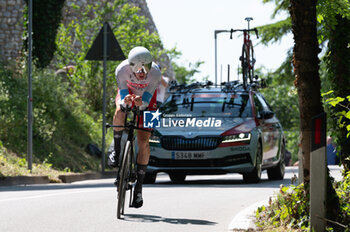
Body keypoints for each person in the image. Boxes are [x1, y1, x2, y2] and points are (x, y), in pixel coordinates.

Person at [108, 46, 161, 208]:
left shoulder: (156, 73)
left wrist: (141, 103)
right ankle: (116, 150)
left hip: (149, 99)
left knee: (144, 140)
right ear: (131, 66)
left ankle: (138, 189)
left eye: (146, 67)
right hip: (128, 92)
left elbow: (147, 100)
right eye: (138, 68)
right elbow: (123, 96)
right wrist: (127, 102)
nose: (143, 72)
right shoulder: (121, 70)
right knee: (120, 109)